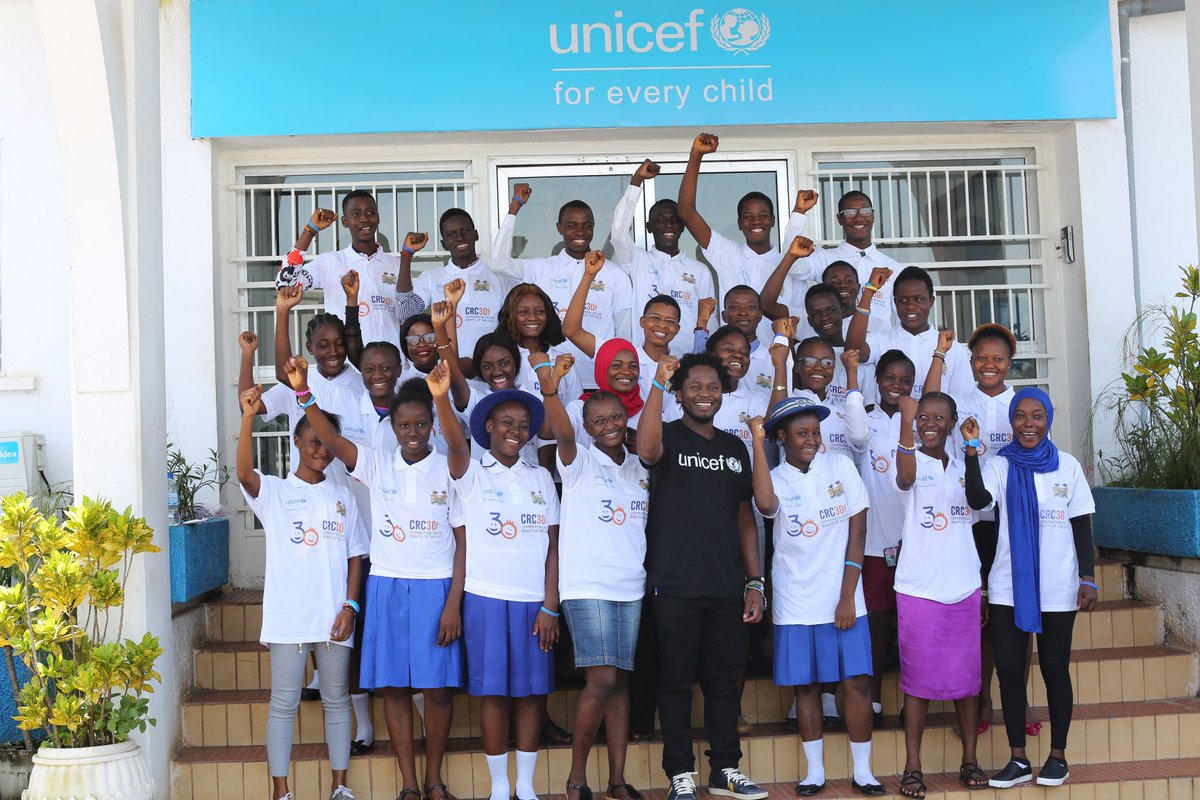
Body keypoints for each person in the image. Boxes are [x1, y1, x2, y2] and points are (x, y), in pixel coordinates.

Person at [287, 360, 468, 800]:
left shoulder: (449, 466)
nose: (412, 432)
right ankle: (409, 784)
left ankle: (434, 780)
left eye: (421, 424)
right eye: (404, 425)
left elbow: (464, 542)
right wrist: (303, 392)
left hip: (436, 588)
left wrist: (453, 604)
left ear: (431, 425)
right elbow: (332, 440)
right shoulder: (377, 465)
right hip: (386, 587)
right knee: (394, 690)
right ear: (393, 428)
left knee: (437, 692)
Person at [637, 352, 767, 800]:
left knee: (724, 683)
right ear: (680, 394)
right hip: (674, 583)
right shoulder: (667, 435)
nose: (705, 394)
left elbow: (745, 517)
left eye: (713, 387)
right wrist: (658, 382)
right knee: (675, 681)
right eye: (694, 387)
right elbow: (646, 450)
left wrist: (754, 582)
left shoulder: (733, 448)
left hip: (726, 585)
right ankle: (680, 773)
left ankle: (725, 769)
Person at [236, 381, 368, 800]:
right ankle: (281, 791)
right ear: (296, 441)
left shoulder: (342, 496)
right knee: (283, 703)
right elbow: (244, 474)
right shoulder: (276, 491)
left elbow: (356, 556)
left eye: (327, 443)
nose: (321, 451)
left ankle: (339, 786)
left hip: (333, 617)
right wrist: (247, 417)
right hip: (289, 617)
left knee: (336, 699)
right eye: (313, 442)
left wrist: (350, 606)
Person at [963, 388, 1097, 789]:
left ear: (1048, 419)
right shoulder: (999, 465)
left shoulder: (1068, 466)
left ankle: (1058, 757)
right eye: (1020, 416)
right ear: (1012, 421)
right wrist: (971, 453)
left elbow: (1081, 524)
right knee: (1008, 672)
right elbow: (978, 499)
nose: (1028, 424)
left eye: (1037, 416)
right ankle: (1018, 759)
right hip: (1009, 586)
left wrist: (1087, 577)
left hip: (1058, 585)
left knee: (1055, 670)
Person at [749, 398, 883, 797]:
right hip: (796, 601)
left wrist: (847, 596)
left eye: (815, 432)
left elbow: (858, 531)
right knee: (805, 687)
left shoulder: (839, 466)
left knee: (856, 683)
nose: (811, 440)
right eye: (801, 433)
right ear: (781, 437)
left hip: (844, 598)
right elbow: (764, 504)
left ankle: (864, 772)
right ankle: (815, 772)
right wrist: (756, 443)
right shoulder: (775, 477)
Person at [533, 351, 648, 800]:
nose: (609, 425)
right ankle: (576, 778)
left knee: (619, 682)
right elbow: (561, 431)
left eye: (615, 417)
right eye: (598, 421)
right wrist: (550, 388)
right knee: (601, 680)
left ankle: (617, 780)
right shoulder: (577, 461)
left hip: (630, 586)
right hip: (587, 585)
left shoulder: (640, 466)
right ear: (587, 427)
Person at [451, 388, 560, 800]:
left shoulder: (540, 478)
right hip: (486, 598)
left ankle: (525, 786)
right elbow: (453, 442)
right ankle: (499, 788)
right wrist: (442, 398)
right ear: (489, 427)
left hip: (534, 602)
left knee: (531, 694)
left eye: (523, 425)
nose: (516, 431)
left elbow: (554, 547)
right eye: (507, 423)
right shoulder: (471, 474)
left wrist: (551, 604)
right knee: (494, 694)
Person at [893, 392, 984, 798]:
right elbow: (904, 478)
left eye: (938, 418)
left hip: (963, 586)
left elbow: (979, 512)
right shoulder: (910, 459)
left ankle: (970, 760)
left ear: (951, 423)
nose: (929, 424)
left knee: (967, 681)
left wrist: (971, 449)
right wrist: (905, 421)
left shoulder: (966, 466)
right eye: (923, 417)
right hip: (918, 589)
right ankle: (913, 768)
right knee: (917, 682)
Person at [491, 185, 633, 385]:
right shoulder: (541, 268)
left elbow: (624, 334)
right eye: (572, 225)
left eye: (586, 225)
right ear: (559, 228)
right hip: (555, 380)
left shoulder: (614, 273)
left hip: (601, 380)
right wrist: (514, 208)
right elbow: (498, 264)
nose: (580, 232)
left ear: (593, 227)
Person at [677, 131, 809, 343]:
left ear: (773, 220)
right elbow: (686, 212)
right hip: (733, 355)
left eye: (763, 216)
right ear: (739, 223)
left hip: (778, 358)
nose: (756, 222)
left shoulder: (791, 265)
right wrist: (696, 155)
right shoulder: (727, 253)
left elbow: (799, 324)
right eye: (748, 217)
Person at [274, 192, 424, 345]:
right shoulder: (330, 262)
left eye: (370, 212)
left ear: (378, 218)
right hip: (346, 359)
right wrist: (310, 230)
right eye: (356, 214)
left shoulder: (397, 265)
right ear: (345, 221)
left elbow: (407, 315)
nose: (364, 218)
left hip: (391, 358)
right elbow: (286, 283)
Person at [857, 351, 917, 728]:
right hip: (874, 544)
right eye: (890, 378)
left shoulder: (919, 421)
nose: (897, 385)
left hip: (915, 545)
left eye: (905, 380)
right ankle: (874, 700)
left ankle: (913, 701)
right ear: (877, 379)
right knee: (876, 627)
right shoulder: (865, 419)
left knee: (910, 629)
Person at [610, 159, 716, 357]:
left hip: (687, 364)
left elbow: (711, 322)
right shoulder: (637, 260)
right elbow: (618, 234)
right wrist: (636, 181)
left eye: (674, 220)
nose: (668, 225)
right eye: (660, 220)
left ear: (682, 226)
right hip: (644, 363)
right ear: (649, 227)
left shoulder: (700, 271)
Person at [564, 251, 683, 398]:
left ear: (677, 329)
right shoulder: (620, 355)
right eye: (655, 318)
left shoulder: (682, 366)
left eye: (670, 321)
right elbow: (571, 331)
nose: (662, 325)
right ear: (642, 321)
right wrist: (589, 276)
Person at [844, 266, 975, 399]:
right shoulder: (880, 339)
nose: (910, 306)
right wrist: (868, 293)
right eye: (903, 300)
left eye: (918, 299)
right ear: (894, 302)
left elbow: (964, 399)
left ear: (931, 301)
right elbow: (852, 352)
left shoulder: (954, 349)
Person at [402, 213, 513, 362]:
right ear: (444, 243)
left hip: (489, 370)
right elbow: (405, 311)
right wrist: (406, 254)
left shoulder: (499, 279)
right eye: (451, 234)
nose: (459, 237)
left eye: (465, 231)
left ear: (476, 235)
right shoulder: (431, 278)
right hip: (446, 370)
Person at [790, 191, 902, 330]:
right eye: (850, 213)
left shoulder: (892, 268)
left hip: (880, 343)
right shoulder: (824, 258)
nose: (858, 218)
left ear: (873, 215)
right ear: (839, 219)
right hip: (834, 342)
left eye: (865, 211)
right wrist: (799, 212)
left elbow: (903, 319)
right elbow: (793, 267)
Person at [494, 283, 583, 403]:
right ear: (509, 315)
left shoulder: (563, 360)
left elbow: (576, 407)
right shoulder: (500, 359)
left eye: (540, 311)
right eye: (523, 312)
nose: (533, 318)